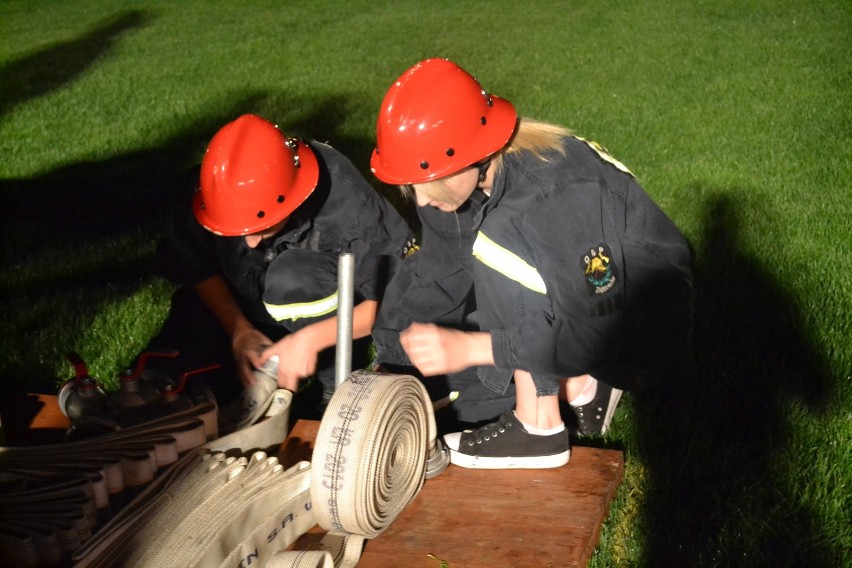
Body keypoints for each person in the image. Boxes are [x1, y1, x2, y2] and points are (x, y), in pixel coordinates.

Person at [370, 58, 693, 469]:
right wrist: (394, 360)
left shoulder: (550, 195)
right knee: (469, 401)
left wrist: (471, 347)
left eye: (429, 184)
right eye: (412, 188)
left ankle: (539, 427)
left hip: (640, 324)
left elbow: (595, 330)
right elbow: (439, 270)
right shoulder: (464, 179)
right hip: (585, 306)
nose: (422, 200)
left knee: (496, 247)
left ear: (468, 156)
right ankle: (581, 386)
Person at [150, 113, 414, 419]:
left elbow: (399, 302)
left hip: (325, 311)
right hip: (247, 308)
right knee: (178, 354)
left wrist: (311, 339)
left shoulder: (346, 202)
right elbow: (194, 264)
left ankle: (334, 391)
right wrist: (239, 330)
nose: (249, 243)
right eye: (236, 232)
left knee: (293, 277)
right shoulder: (212, 191)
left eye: (262, 228)